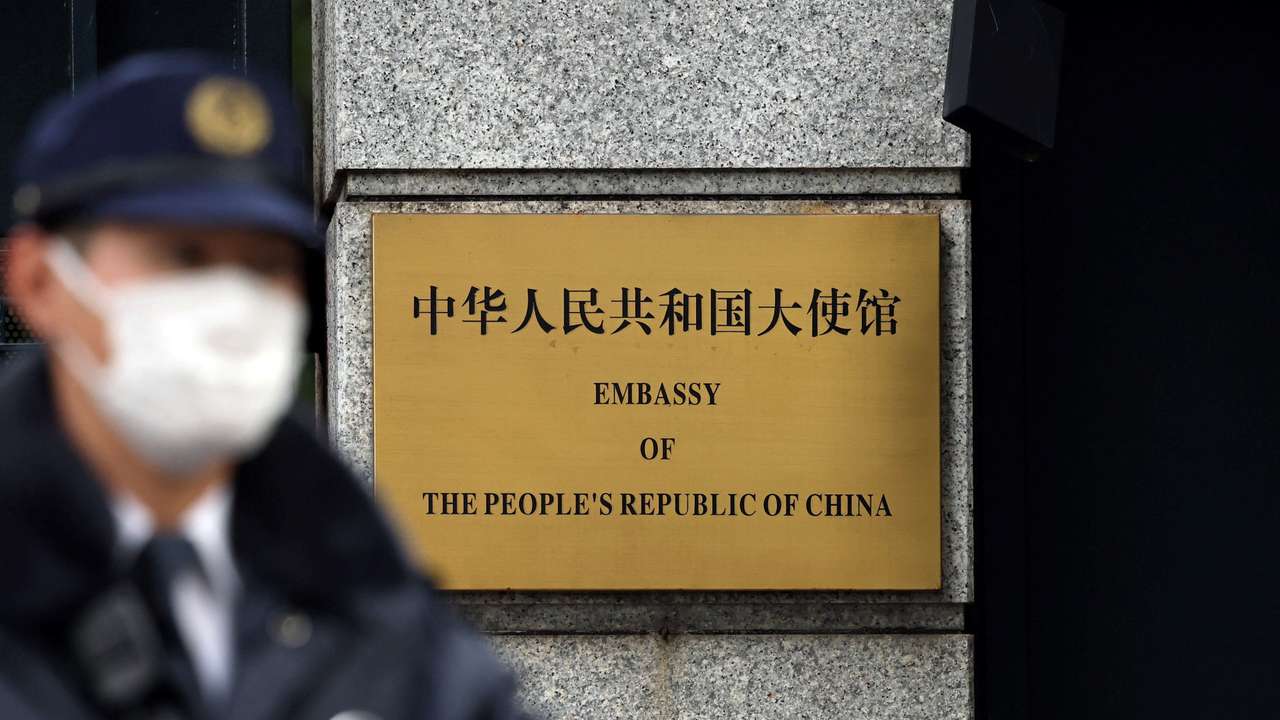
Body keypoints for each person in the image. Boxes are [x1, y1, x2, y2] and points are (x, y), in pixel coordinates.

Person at [0, 52, 526, 720]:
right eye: (184, 255)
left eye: (266, 266)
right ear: (39, 282)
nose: (231, 305)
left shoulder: (379, 609)